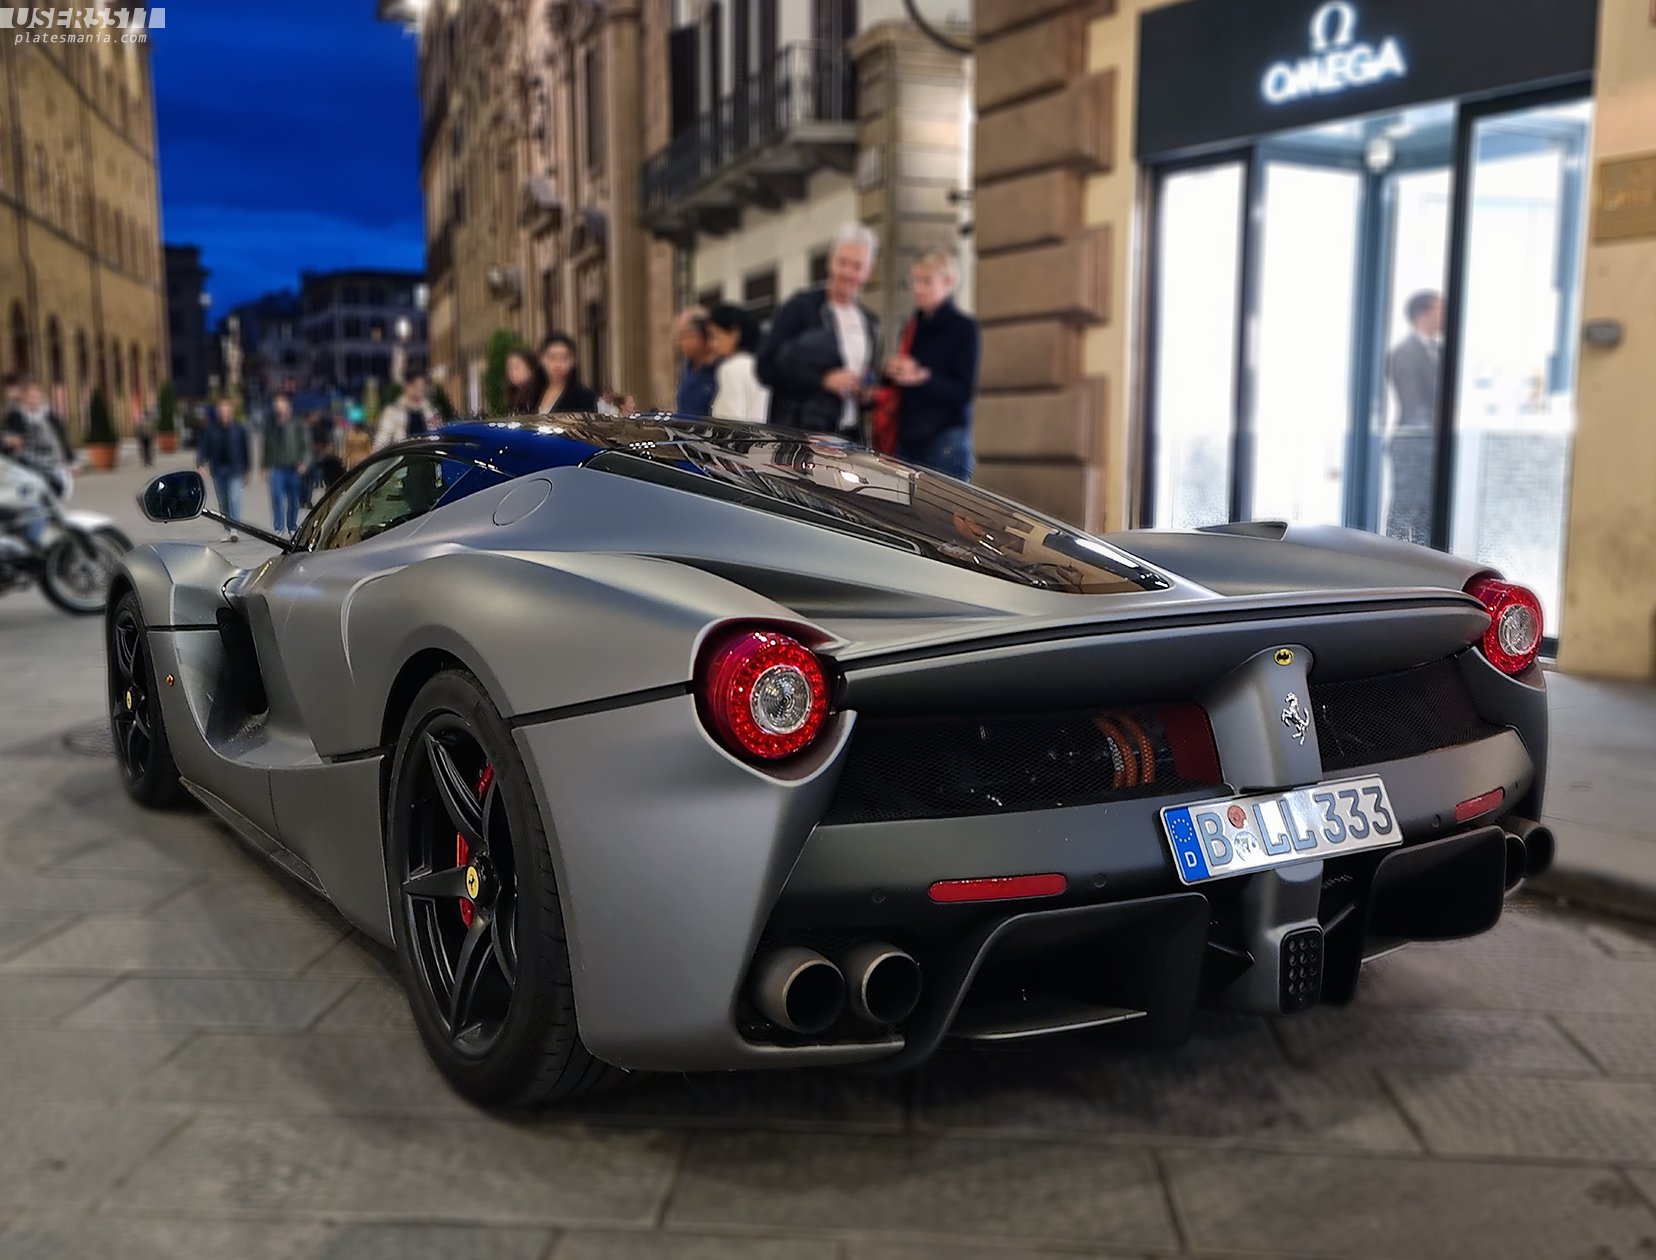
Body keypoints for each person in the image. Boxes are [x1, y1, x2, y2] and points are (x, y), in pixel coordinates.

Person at [756, 223, 880, 434]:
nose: (848, 272)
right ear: (830, 261)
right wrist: (823, 380)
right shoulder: (800, 307)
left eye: (858, 266)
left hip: (847, 435)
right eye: (843, 262)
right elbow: (765, 367)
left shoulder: (869, 322)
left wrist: (866, 392)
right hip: (801, 433)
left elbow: (866, 378)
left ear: (869, 271)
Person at [879, 247, 981, 479]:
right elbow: (896, 382)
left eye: (926, 281)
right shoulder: (913, 326)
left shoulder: (963, 328)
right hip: (909, 436)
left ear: (947, 282)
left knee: (943, 511)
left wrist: (923, 378)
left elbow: (963, 391)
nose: (917, 289)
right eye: (914, 281)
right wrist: (890, 370)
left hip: (945, 438)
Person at [1385, 290, 1443, 544]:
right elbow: (1413, 404)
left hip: (1430, 443)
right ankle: (1393, 562)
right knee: (1406, 507)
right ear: (1423, 314)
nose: (1445, 316)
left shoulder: (1439, 351)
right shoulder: (1405, 352)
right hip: (1412, 443)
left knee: (1426, 512)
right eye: (1440, 310)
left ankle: (1426, 563)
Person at [2, 379, 73, 496]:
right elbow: (10, 440)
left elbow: (60, 437)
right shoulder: (16, 416)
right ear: (24, 398)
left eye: (36, 395)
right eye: (30, 396)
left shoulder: (47, 414)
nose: (34, 398)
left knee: (57, 492)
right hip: (28, 464)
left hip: (52, 462)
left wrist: (70, 460)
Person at [195, 399, 251, 543]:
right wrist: (201, 463)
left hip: (235, 469)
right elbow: (204, 448)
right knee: (223, 501)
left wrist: (247, 470)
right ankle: (227, 529)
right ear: (218, 413)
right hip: (218, 470)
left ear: (231, 412)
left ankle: (234, 529)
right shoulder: (211, 430)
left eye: (226, 410)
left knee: (234, 498)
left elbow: (246, 450)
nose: (224, 413)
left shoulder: (239, 429)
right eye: (221, 411)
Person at [708, 304, 769, 423]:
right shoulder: (757, 365)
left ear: (734, 334)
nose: (713, 344)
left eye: (716, 336)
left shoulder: (731, 368)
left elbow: (730, 423)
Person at [264, 394, 309, 534]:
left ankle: (292, 526)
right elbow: (266, 447)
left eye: (281, 404)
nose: (279, 407)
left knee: (293, 499)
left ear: (288, 406)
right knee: (276, 496)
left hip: (294, 467)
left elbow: (306, 445)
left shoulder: (297, 424)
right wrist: (264, 466)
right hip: (277, 468)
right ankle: (279, 526)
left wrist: (304, 462)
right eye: (277, 404)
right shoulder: (271, 425)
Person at [673, 307, 720, 417]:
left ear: (702, 334)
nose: (678, 343)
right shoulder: (687, 367)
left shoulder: (722, 370)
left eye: (683, 335)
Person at [537, 332, 599, 412]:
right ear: (541, 359)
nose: (558, 364)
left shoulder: (583, 396)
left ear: (573, 360)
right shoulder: (532, 392)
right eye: (551, 358)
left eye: (564, 358)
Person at [372, 370, 432, 450]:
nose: (420, 389)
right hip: (402, 458)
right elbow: (381, 441)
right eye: (416, 386)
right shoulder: (392, 411)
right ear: (406, 385)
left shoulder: (430, 411)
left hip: (426, 458)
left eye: (423, 386)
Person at [504, 347, 548, 414]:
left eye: (516, 367)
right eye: (509, 367)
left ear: (531, 369)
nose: (511, 371)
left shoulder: (536, 395)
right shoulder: (515, 394)